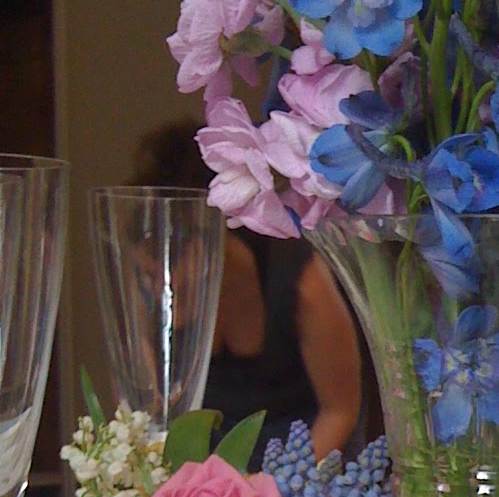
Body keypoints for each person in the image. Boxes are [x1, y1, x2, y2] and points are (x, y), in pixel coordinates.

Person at [131, 122, 362, 461]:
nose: (159, 290)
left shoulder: (299, 279)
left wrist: (268, 494)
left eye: (166, 275)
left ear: (209, 243)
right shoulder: (151, 292)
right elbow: (150, 415)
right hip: (200, 480)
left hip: (300, 475)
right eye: (147, 276)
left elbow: (340, 411)